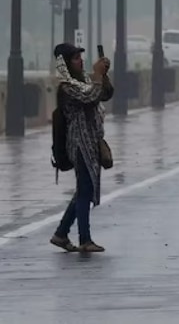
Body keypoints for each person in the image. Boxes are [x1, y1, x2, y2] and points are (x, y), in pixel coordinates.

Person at [50, 43, 113, 253]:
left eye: (80, 57)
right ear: (66, 64)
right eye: (76, 58)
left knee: (83, 190)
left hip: (91, 142)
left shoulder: (85, 81)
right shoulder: (67, 87)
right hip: (79, 144)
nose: (80, 61)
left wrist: (103, 74)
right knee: (85, 190)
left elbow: (105, 93)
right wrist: (96, 75)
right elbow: (90, 97)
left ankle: (61, 233)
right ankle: (85, 239)